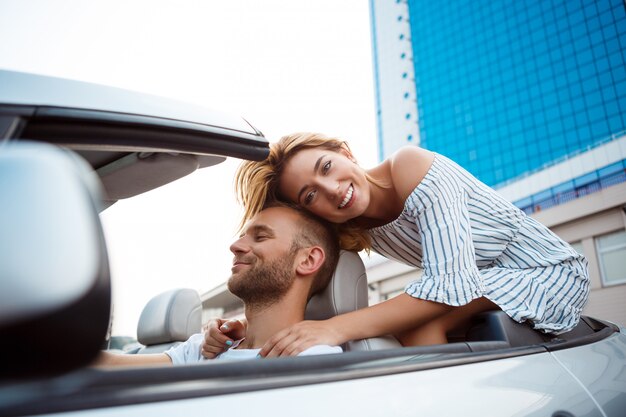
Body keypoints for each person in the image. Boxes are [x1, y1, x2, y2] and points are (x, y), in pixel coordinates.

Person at [203, 132, 590, 358]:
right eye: (309, 196)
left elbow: (449, 285)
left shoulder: (411, 166)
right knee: (407, 325)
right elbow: (295, 282)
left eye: (326, 167)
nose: (332, 190)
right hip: (480, 284)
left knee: (425, 323)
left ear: (344, 152)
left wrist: (336, 329)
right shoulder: (346, 222)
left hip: (546, 271)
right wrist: (248, 326)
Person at [94, 204, 342, 367]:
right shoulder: (203, 348)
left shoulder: (314, 361)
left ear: (308, 260)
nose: (235, 246)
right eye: (243, 235)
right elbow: (109, 367)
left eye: (261, 236)